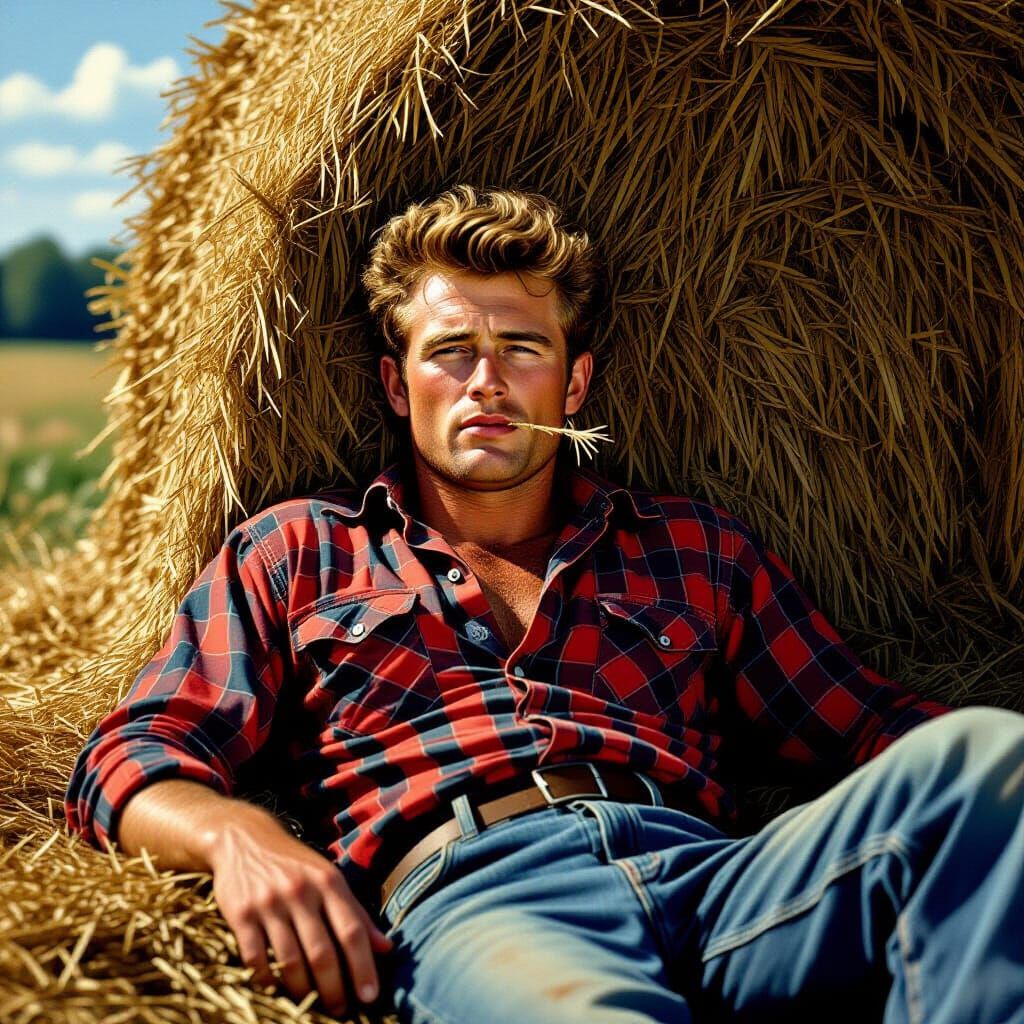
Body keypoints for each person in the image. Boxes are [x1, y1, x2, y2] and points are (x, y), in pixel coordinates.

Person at [65, 186, 1024, 1024]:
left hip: (721, 884)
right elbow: (131, 757)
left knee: (988, 757)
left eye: (521, 348)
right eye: (451, 351)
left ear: (574, 383)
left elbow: (877, 725)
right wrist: (240, 837)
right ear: (398, 387)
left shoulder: (695, 548)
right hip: (486, 901)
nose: (486, 379)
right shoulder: (301, 550)